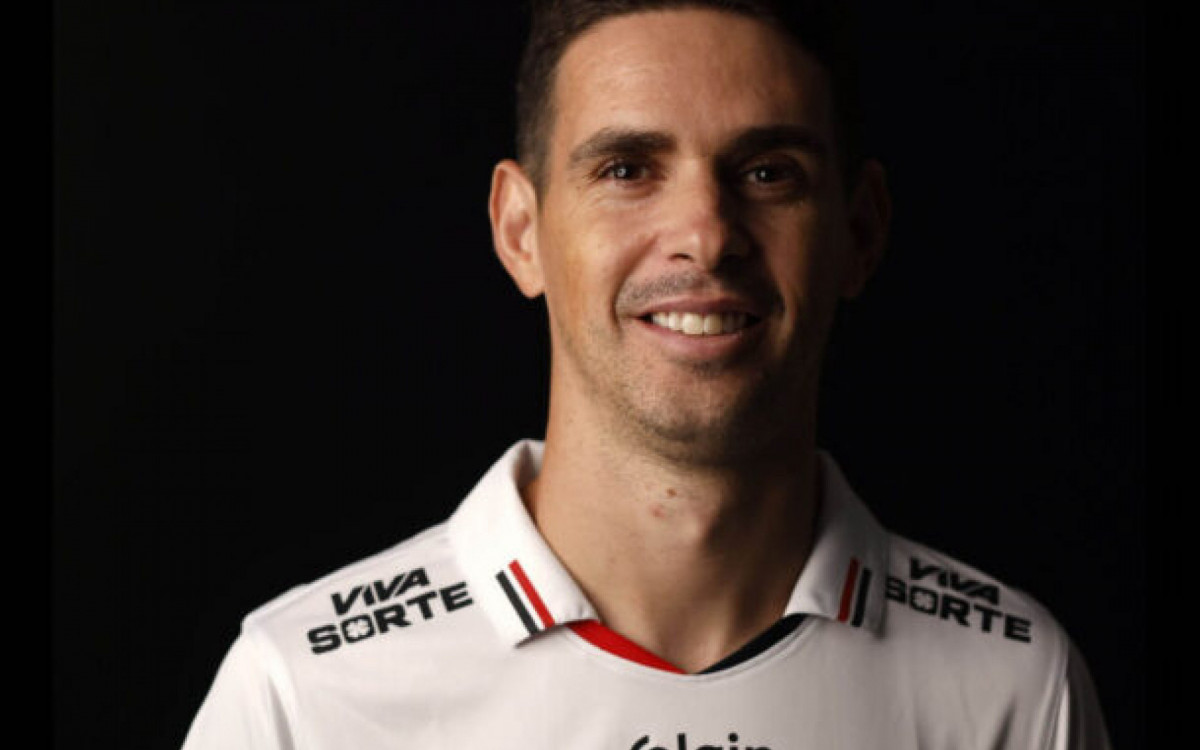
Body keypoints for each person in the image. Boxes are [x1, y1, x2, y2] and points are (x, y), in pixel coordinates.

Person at [183, 1, 1111, 747]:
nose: (706, 234)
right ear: (520, 231)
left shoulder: (1015, 687)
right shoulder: (303, 696)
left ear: (859, 231)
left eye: (768, 172)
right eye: (627, 169)